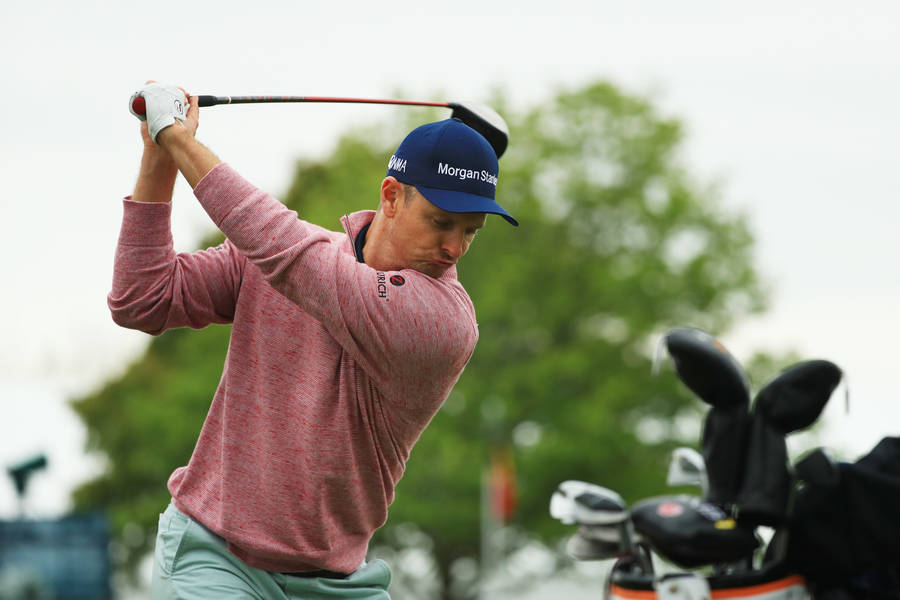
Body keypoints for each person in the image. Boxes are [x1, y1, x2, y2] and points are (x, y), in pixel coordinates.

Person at [111, 82, 518, 599]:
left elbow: (289, 255)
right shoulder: (289, 256)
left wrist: (182, 140)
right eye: (441, 223)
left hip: (339, 582)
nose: (453, 247)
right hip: (215, 559)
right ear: (392, 197)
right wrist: (159, 154)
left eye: (471, 231)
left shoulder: (443, 322)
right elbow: (141, 299)